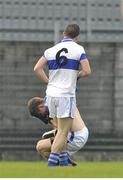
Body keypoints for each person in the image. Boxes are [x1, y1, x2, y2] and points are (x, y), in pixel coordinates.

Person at [34, 24, 91, 166]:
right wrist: (76, 76)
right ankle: (52, 164)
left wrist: (49, 82)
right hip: (66, 95)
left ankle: (64, 163)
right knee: (63, 132)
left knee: (60, 130)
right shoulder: (78, 49)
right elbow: (87, 71)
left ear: (63, 34)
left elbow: (37, 68)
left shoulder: (50, 50)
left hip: (51, 95)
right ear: (77, 37)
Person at [27, 96, 89, 166]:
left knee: (40, 146)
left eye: (39, 114)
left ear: (41, 107)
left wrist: (52, 131)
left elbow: (61, 129)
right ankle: (66, 163)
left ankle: (64, 164)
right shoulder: (56, 99)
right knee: (46, 145)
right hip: (81, 131)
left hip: (74, 136)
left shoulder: (53, 106)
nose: (40, 116)